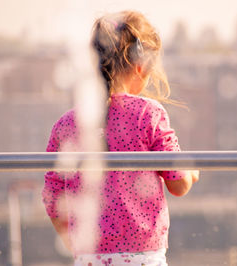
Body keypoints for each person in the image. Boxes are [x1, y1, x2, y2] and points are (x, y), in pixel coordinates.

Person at [42, 10, 199, 266]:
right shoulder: (149, 114)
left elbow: (53, 196)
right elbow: (179, 185)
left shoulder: (66, 124)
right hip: (143, 257)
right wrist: (192, 171)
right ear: (141, 66)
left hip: (89, 256)